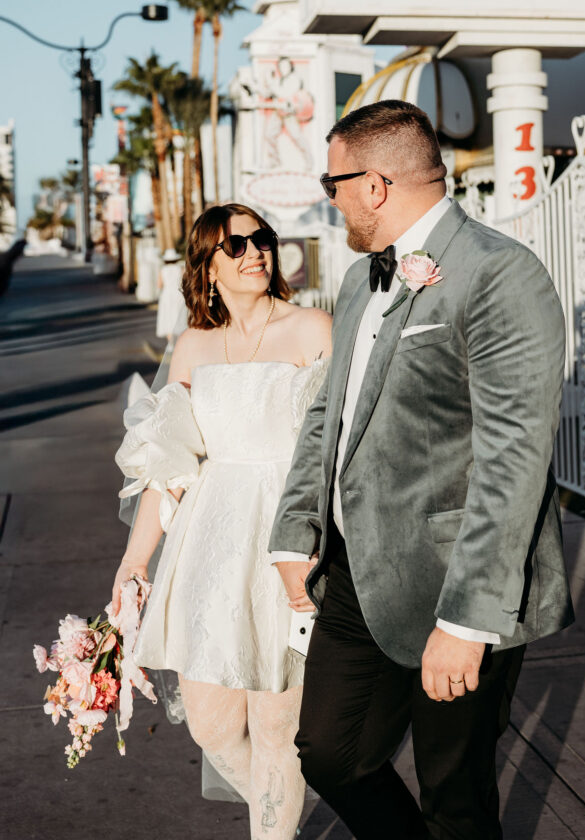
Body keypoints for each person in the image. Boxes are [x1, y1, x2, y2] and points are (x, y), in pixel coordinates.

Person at [269, 100, 574, 839]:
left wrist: (467, 620)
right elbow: (328, 414)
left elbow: (512, 459)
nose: (330, 197)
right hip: (353, 574)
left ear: (374, 185)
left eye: (333, 182)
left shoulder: (499, 273)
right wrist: (296, 528)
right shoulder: (357, 280)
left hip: (454, 581)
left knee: (453, 796)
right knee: (331, 756)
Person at [112, 203, 332, 840]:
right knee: (211, 725)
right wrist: (134, 561)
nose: (254, 251)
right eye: (235, 245)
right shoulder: (194, 346)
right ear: (207, 266)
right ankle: (278, 815)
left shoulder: (313, 327)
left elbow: (340, 445)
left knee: (276, 727)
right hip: (209, 545)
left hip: (289, 538)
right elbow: (169, 464)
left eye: (261, 239)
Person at [156, 248, 186, 343]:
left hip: (167, 295)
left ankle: (171, 343)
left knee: (168, 317)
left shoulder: (162, 270)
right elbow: (184, 283)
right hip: (178, 295)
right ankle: (179, 341)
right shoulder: (180, 269)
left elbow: (159, 285)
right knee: (178, 316)